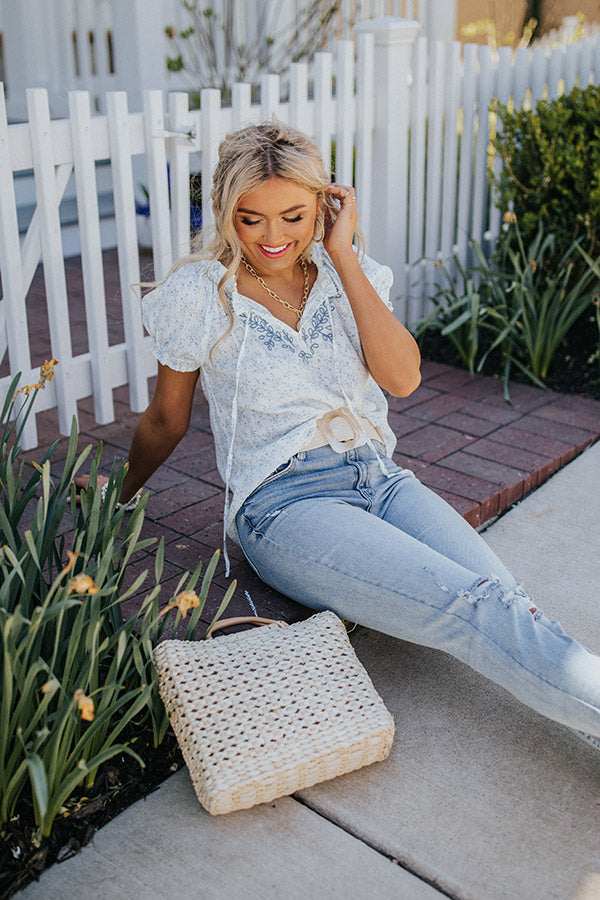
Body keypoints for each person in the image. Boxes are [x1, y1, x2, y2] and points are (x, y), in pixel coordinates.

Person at [80, 120, 600, 750]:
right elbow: (167, 419)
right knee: (471, 606)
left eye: (293, 216)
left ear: (323, 205)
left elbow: (403, 378)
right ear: (225, 212)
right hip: (285, 503)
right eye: (251, 219)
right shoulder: (198, 294)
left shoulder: (343, 271)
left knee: (509, 601)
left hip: (380, 479)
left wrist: (344, 254)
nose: (273, 236)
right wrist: (117, 496)